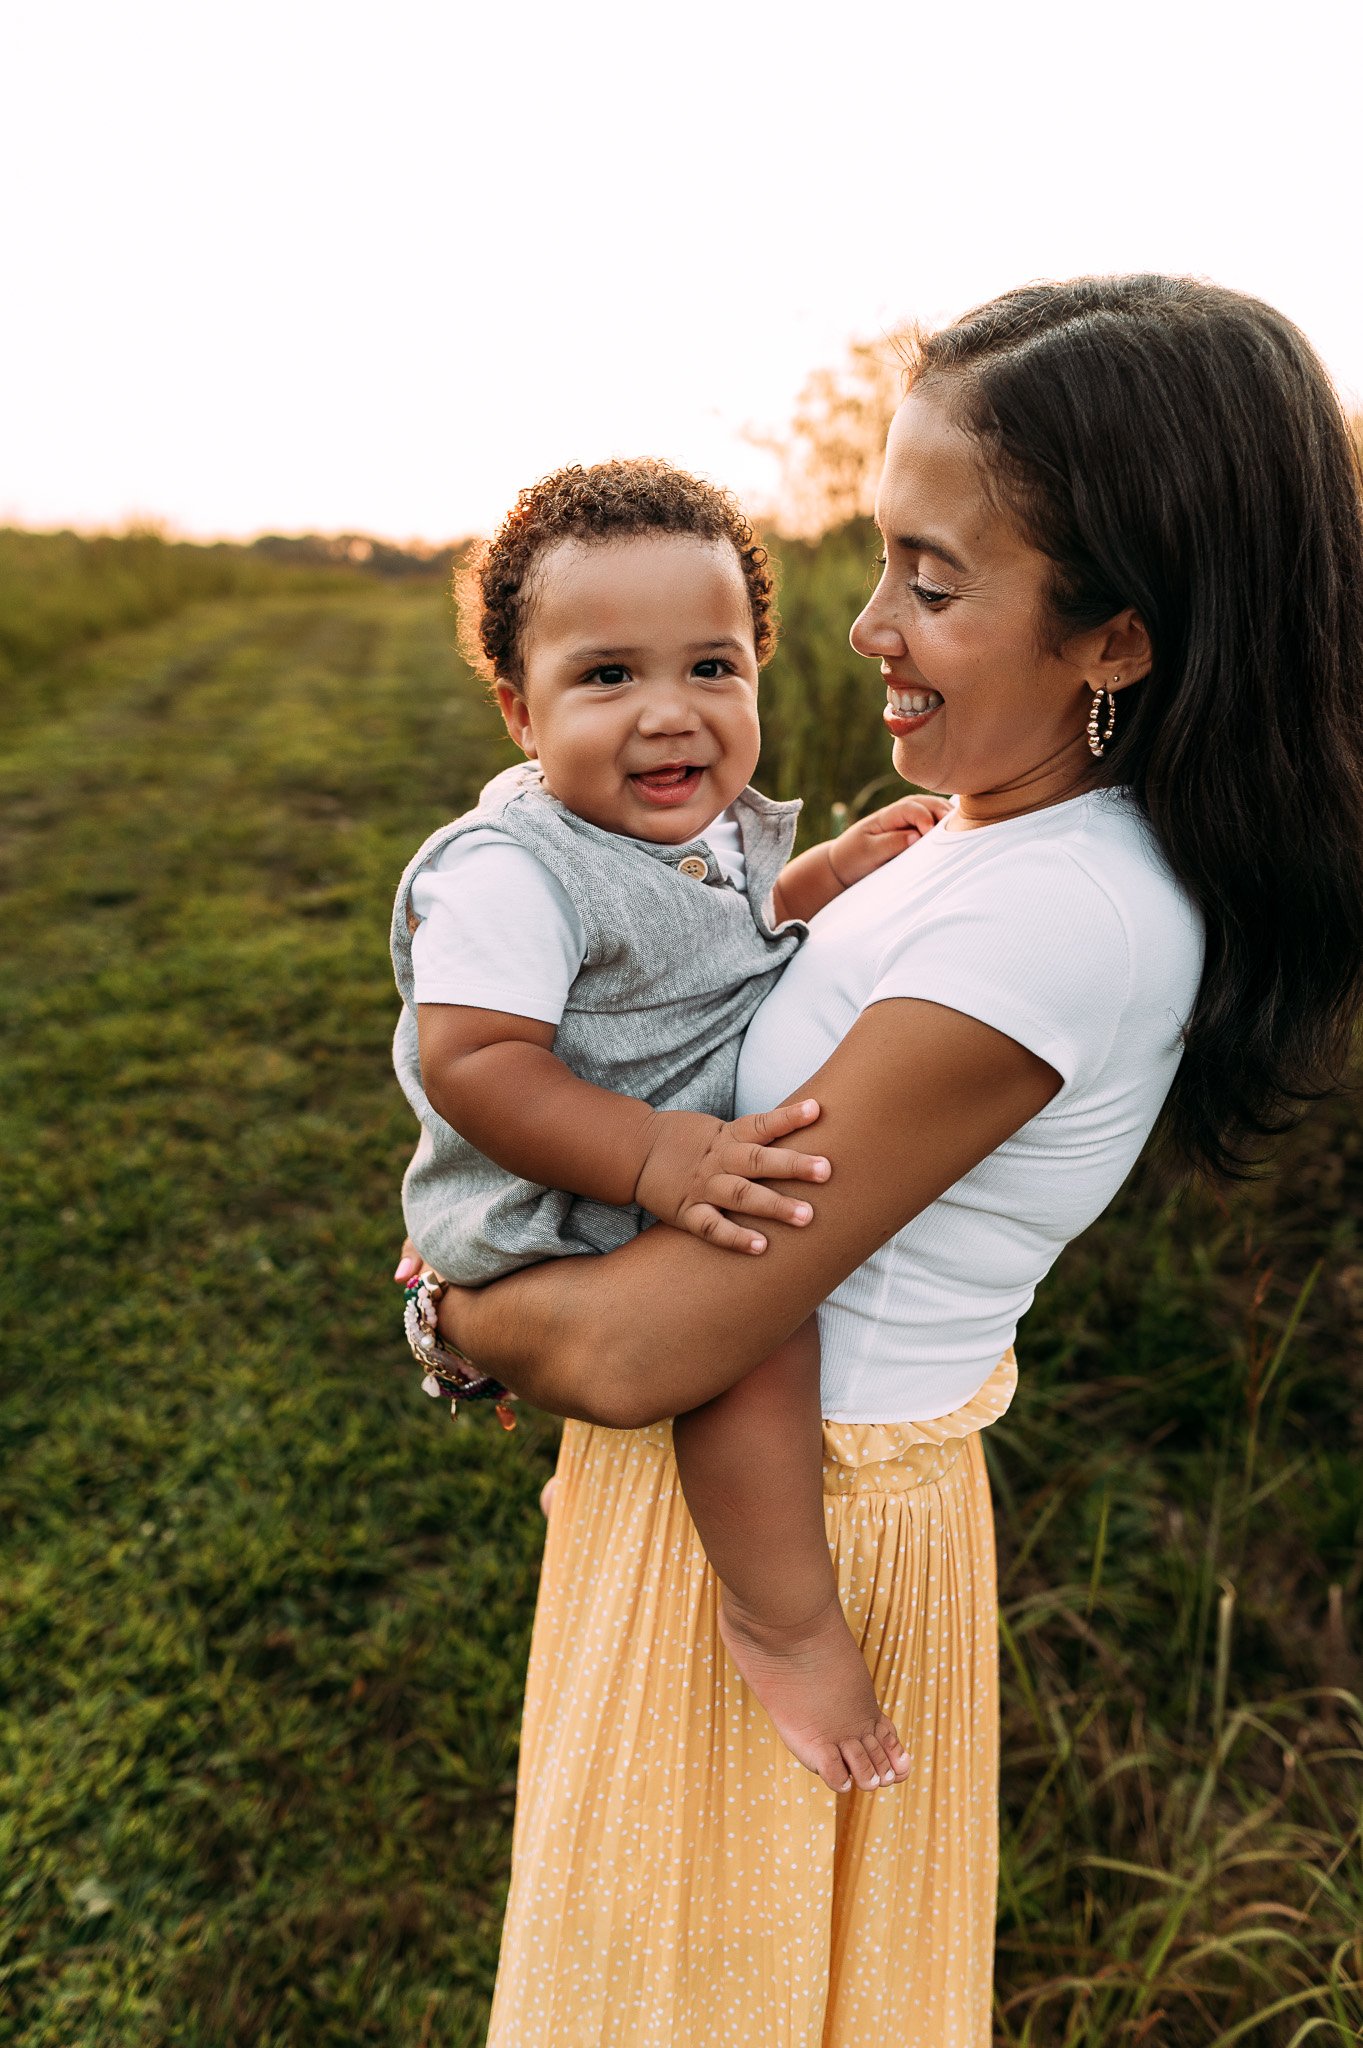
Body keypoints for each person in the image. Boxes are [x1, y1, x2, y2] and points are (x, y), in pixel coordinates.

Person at [414, 277, 1363, 2045]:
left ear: (1121, 641)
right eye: (877, 560)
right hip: (717, 1508)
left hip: (803, 1541)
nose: (863, 632)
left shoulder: (1064, 917)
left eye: (934, 584)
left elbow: (646, 1347)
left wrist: (463, 1322)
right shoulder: (972, 834)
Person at [390, 458, 950, 1793]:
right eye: (607, 678)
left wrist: (827, 874)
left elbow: (718, 944)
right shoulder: (512, 874)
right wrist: (653, 1156)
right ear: (521, 712)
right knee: (753, 1327)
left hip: (641, 1166)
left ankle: (606, 1499)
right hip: (560, 1194)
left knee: (758, 1284)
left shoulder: (701, 829)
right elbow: (473, 1063)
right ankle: (786, 1621)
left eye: (712, 668)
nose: (669, 716)